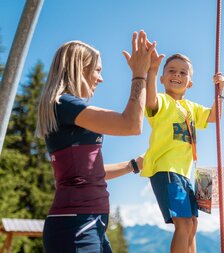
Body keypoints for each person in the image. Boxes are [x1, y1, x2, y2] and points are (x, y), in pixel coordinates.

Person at [36, 30, 155, 252]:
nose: (100, 78)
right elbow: (131, 124)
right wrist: (140, 74)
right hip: (76, 224)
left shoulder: (68, 108)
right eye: (97, 70)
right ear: (80, 69)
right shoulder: (64, 104)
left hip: (88, 221)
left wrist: (134, 165)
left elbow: (88, 172)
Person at [141, 52, 224, 253]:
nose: (177, 75)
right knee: (184, 224)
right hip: (166, 169)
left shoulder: (191, 107)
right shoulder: (161, 101)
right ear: (162, 79)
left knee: (193, 224)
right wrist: (151, 72)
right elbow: (150, 101)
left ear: (190, 83)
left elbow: (214, 116)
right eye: (171, 71)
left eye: (182, 73)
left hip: (186, 173)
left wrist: (219, 91)